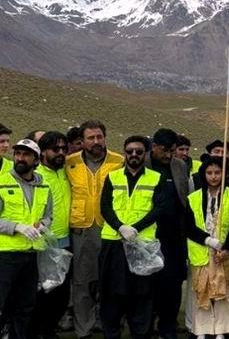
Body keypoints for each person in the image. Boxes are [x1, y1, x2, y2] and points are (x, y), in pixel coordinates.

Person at [98, 135, 169, 339]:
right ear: (125, 153)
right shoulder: (113, 177)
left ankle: (140, 333)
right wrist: (120, 227)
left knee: (142, 294)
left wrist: (135, 228)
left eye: (139, 151)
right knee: (111, 293)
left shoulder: (156, 178)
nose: (134, 155)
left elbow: (160, 208)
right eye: (130, 151)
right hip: (114, 242)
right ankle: (112, 333)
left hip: (142, 244)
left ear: (145, 154)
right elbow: (105, 206)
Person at [65, 120, 124, 339]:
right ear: (82, 141)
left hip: (110, 229)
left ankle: (108, 324)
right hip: (81, 230)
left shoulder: (118, 161)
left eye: (99, 137)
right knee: (82, 283)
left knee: (109, 281)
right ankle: (84, 330)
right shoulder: (70, 163)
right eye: (91, 138)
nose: (96, 141)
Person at [0, 139, 53, 339]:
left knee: (25, 306)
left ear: (36, 160)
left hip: (31, 254)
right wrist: (17, 227)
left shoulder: (44, 186)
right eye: (17, 154)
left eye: (26, 154)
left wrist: (43, 225)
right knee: (2, 305)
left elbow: (48, 216)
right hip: (5, 255)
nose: (20, 158)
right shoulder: (2, 182)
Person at [184, 157, 229, 338]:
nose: (213, 176)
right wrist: (208, 240)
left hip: (223, 252)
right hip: (201, 250)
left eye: (217, 172)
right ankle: (202, 330)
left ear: (223, 174)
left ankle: (221, 331)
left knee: (222, 291)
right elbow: (188, 227)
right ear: (204, 174)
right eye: (209, 173)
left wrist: (227, 249)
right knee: (202, 291)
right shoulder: (193, 198)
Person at [147, 128, 190, 339]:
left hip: (174, 235)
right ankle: (146, 326)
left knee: (173, 284)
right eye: (164, 150)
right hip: (148, 235)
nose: (168, 155)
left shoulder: (179, 166)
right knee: (148, 284)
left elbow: (184, 197)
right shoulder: (142, 164)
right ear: (154, 146)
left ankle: (168, 326)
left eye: (172, 150)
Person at [30, 131, 72, 339]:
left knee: (61, 293)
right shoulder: (36, 176)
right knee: (41, 293)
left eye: (64, 149)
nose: (61, 153)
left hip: (65, 242)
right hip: (42, 244)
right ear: (43, 152)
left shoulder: (65, 172)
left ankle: (49, 331)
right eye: (55, 149)